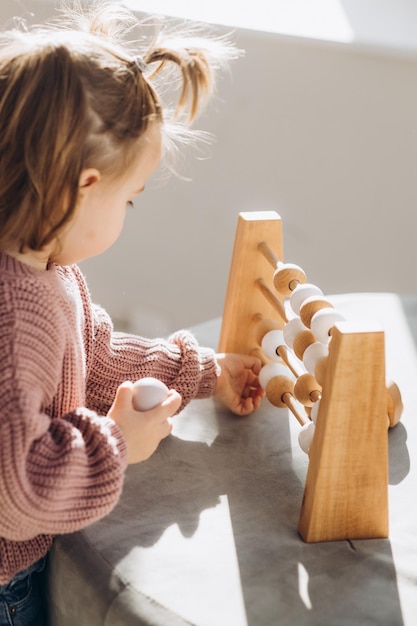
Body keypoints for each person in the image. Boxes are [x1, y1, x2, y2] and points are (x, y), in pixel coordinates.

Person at [0, 2, 264, 624]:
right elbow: (17, 491)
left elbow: (94, 355)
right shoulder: (15, 319)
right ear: (83, 187)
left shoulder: (47, 272)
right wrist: (119, 442)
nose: (127, 215)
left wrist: (201, 372)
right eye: (131, 200)